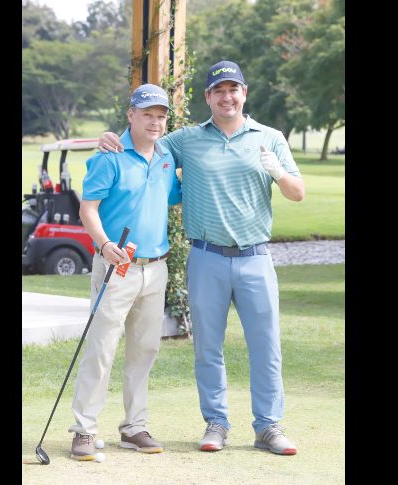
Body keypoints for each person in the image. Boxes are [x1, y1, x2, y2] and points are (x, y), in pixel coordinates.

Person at [99, 61, 305, 455]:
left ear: (244, 93)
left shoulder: (270, 137)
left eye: (234, 89)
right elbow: (143, 142)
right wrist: (111, 137)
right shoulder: (186, 140)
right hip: (206, 257)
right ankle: (216, 423)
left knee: (266, 344)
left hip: (256, 258)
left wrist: (277, 171)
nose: (227, 97)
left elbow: (297, 193)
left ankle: (269, 426)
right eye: (219, 91)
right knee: (208, 346)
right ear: (208, 97)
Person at [67, 83, 182, 461]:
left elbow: (176, 195)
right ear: (130, 115)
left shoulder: (165, 156)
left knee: (145, 349)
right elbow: (89, 209)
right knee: (102, 347)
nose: (154, 121)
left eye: (160, 115)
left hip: (156, 267)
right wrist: (103, 244)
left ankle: (134, 427)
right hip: (117, 266)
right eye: (146, 114)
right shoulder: (109, 155)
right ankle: (83, 430)